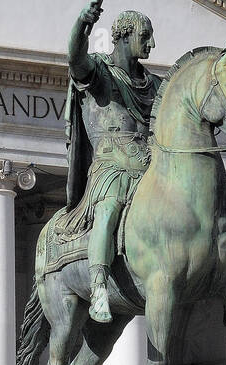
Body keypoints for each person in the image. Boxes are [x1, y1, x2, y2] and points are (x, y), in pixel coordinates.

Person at [61, 2, 161, 324]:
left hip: (148, 164)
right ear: (124, 36)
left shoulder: (155, 85)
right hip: (112, 163)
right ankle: (99, 283)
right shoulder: (100, 73)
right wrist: (82, 24)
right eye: (145, 37)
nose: (151, 45)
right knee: (109, 208)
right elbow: (75, 58)